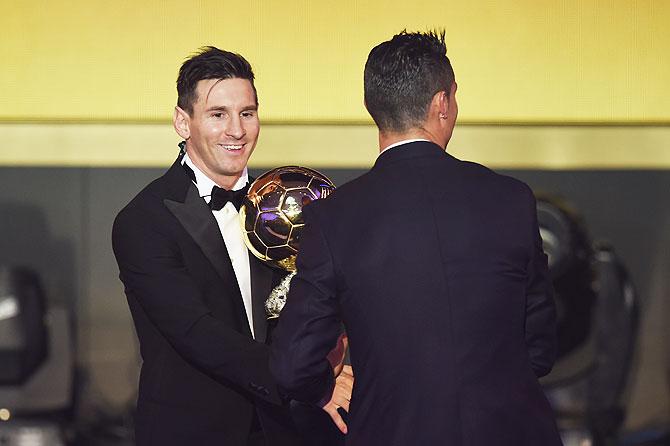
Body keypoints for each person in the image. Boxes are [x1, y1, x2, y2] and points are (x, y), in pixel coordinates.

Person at [270, 31, 563, 445]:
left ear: (372, 106)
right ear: (442, 103)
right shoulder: (510, 199)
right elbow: (540, 344)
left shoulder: (335, 217)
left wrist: (323, 385)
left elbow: (293, 363)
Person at [112, 46, 350, 445]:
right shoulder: (144, 220)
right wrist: (309, 383)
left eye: (247, 113)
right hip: (193, 433)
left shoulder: (284, 208)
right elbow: (196, 332)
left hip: (286, 430)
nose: (236, 131)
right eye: (218, 115)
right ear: (182, 122)